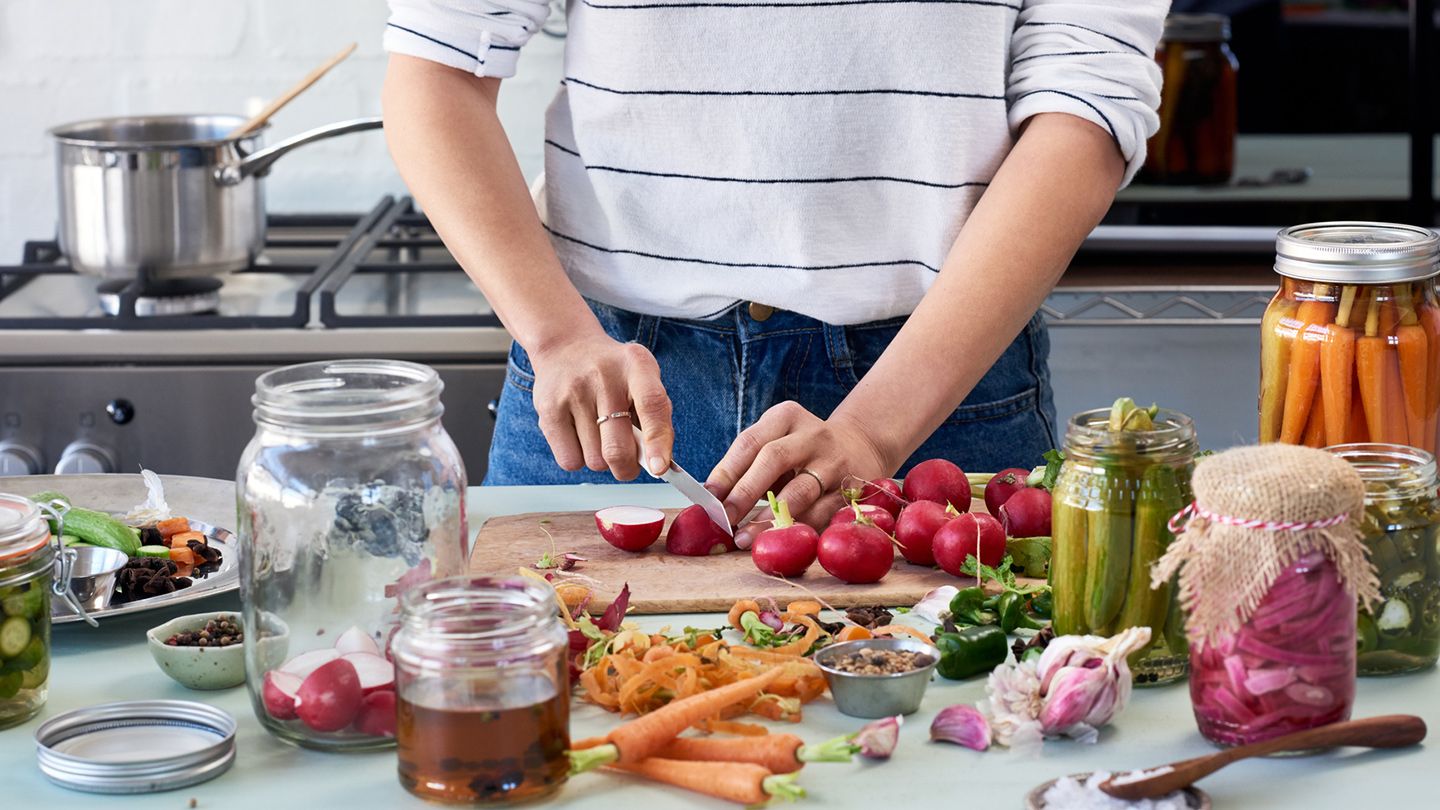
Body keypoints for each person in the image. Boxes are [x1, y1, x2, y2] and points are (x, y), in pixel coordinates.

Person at [382, 0, 1168, 545]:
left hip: (933, 390)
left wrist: (873, 428)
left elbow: (1085, 107)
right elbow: (434, 70)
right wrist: (555, 333)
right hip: (605, 379)